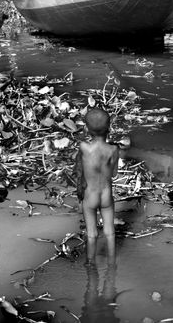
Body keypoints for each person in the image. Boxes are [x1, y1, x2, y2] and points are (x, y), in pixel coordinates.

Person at [75, 107, 119, 264]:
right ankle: (112, 264)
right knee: (110, 233)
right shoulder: (114, 149)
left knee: (92, 234)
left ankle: (90, 265)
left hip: (90, 197)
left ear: (87, 128)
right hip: (106, 196)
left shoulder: (84, 147)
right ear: (109, 128)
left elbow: (79, 170)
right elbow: (114, 173)